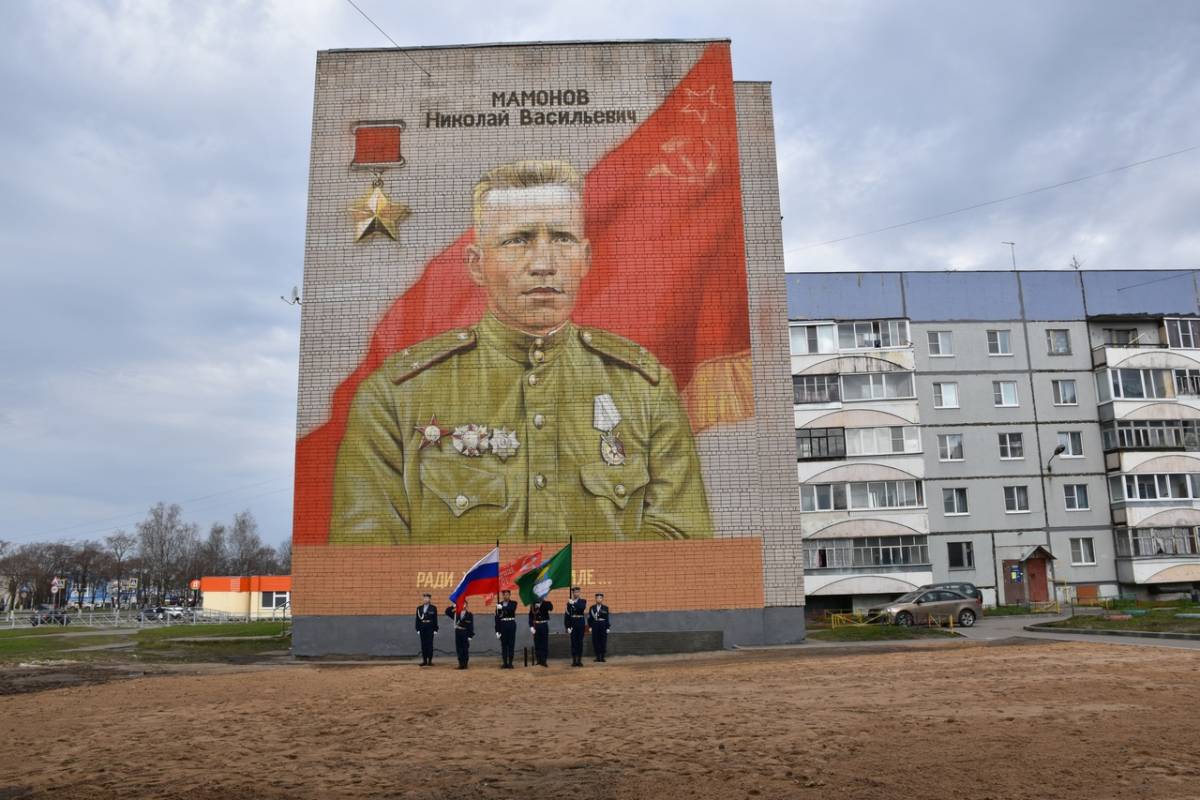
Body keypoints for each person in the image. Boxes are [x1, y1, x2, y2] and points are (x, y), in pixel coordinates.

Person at [329, 159, 712, 545]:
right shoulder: (395, 398)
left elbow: (682, 541)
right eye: (517, 240)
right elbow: (367, 560)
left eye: (562, 239)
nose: (544, 264)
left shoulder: (646, 389)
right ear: (477, 265)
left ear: (586, 259)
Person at [445, 600, 475, 669]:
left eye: (464, 604)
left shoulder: (469, 614)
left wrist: (470, 635)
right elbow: (447, 612)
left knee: (465, 648)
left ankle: (465, 664)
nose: (463, 605)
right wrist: (453, 606)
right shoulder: (456, 613)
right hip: (458, 631)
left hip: (465, 632)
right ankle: (460, 664)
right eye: (462, 604)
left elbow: (471, 625)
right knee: (459, 648)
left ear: (467, 606)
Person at [494, 589, 519, 669]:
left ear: (510, 595)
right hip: (503, 625)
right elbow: (497, 618)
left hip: (511, 624)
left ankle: (510, 663)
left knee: (511, 644)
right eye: (504, 594)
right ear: (502, 595)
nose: (506, 596)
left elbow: (511, 609)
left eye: (507, 594)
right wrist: (497, 631)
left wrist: (502, 608)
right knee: (504, 645)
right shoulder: (499, 604)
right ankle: (505, 663)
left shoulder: (513, 603)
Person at [564, 586, 587, 667]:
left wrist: (573, 603)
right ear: (573, 593)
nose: (576, 593)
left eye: (578, 592)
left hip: (580, 622)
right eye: (575, 592)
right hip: (573, 623)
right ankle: (574, 660)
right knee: (573, 642)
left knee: (580, 642)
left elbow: (581, 608)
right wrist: (567, 627)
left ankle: (579, 660)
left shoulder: (583, 601)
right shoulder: (569, 603)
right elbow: (567, 616)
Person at [529, 596, 553, 667]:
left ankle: (544, 660)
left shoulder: (547, 603)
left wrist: (542, 605)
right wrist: (531, 626)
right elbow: (530, 616)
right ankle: (538, 660)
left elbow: (551, 608)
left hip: (544, 625)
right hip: (536, 625)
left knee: (544, 643)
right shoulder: (533, 604)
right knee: (537, 643)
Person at [415, 593, 439, 666]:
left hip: (430, 627)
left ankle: (430, 661)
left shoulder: (433, 608)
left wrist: (435, 629)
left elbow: (435, 619)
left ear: (429, 599)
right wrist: (417, 629)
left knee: (430, 644)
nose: (425, 599)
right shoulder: (419, 608)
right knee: (423, 644)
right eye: (424, 598)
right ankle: (424, 660)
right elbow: (417, 619)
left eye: (427, 598)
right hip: (422, 627)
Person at [588, 592, 610, 662]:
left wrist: (608, 627)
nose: (599, 599)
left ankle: (602, 656)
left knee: (603, 640)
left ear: (602, 599)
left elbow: (607, 618)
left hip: (603, 624)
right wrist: (590, 626)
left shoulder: (605, 608)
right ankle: (597, 657)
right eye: (597, 598)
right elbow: (590, 618)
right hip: (595, 624)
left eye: (600, 598)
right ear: (595, 599)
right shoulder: (592, 608)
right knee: (595, 640)